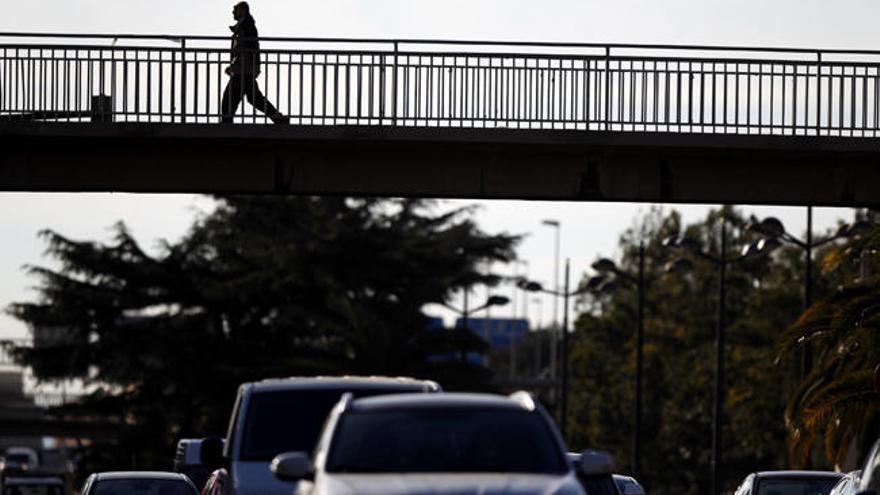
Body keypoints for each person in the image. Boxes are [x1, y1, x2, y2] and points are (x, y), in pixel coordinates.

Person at [221, 2, 288, 124]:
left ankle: (226, 124)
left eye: (235, 9)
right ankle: (278, 118)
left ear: (243, 10)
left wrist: (236, 66)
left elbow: (247, 48)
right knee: (254, 98)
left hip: (243, 69)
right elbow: (251, 48)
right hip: (246, 69)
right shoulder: (246, 25)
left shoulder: (246, 27)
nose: (233, 12)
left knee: (230, 98)